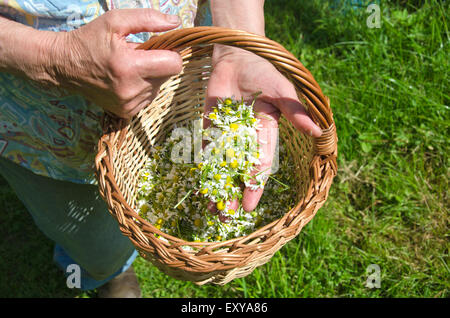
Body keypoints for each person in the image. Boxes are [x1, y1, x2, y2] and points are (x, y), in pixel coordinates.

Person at [0, 0, 322, 297]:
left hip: (189, 69)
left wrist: (240, 41)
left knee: (196, 152)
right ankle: (108, 272)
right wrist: (57, 58)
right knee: (91, 239)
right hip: (40, 123)